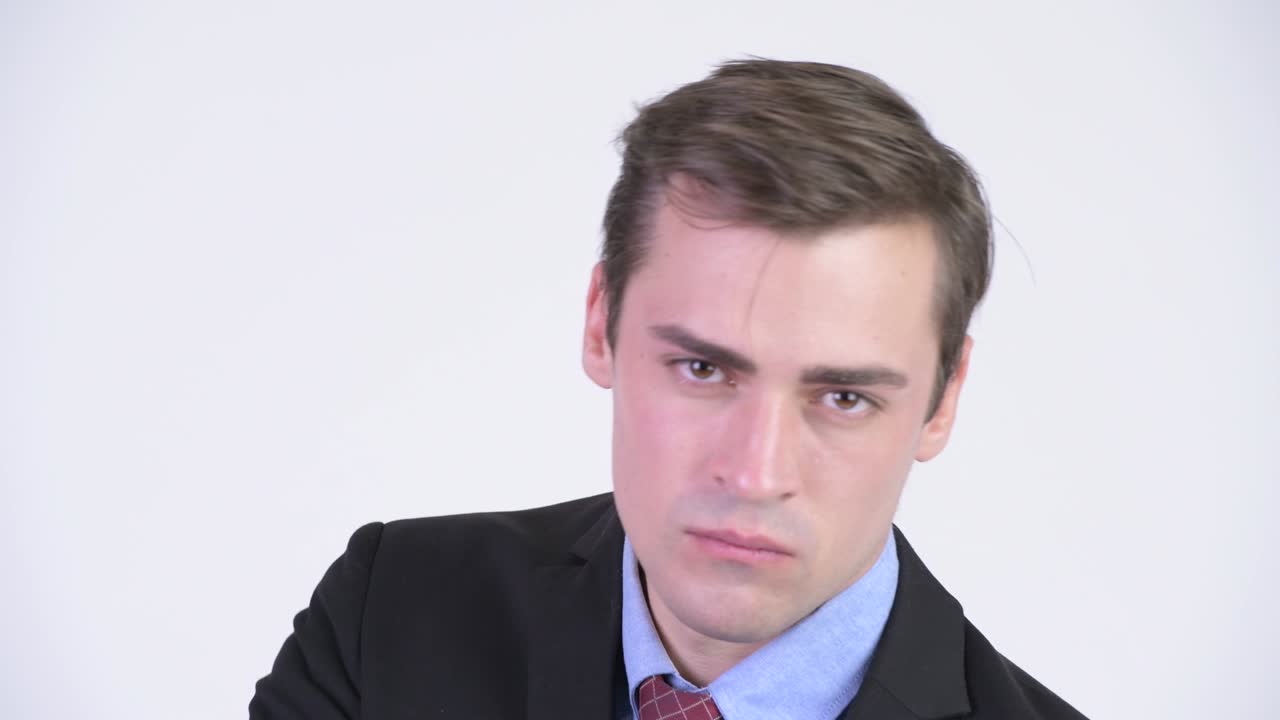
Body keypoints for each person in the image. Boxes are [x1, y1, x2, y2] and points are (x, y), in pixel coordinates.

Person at [250, 58, 1087, 719]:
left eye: (843, 398)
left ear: (943, 401)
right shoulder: (389, 615)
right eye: (704, 369)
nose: (756, 474)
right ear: (598, 322)